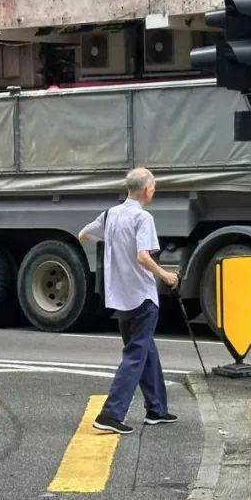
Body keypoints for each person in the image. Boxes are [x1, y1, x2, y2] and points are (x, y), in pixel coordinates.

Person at [78, 167, 179, 435]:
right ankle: (111, 414)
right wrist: (166, 275)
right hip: (141, 296)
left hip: (119, 297)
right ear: (147, 190)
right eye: (154, 187)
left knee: (146, 351)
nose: (154, 191)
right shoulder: (142, 217)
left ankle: (157, 409)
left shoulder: (111, 214)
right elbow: (143, 257)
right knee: (136, 355)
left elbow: (84, 233)